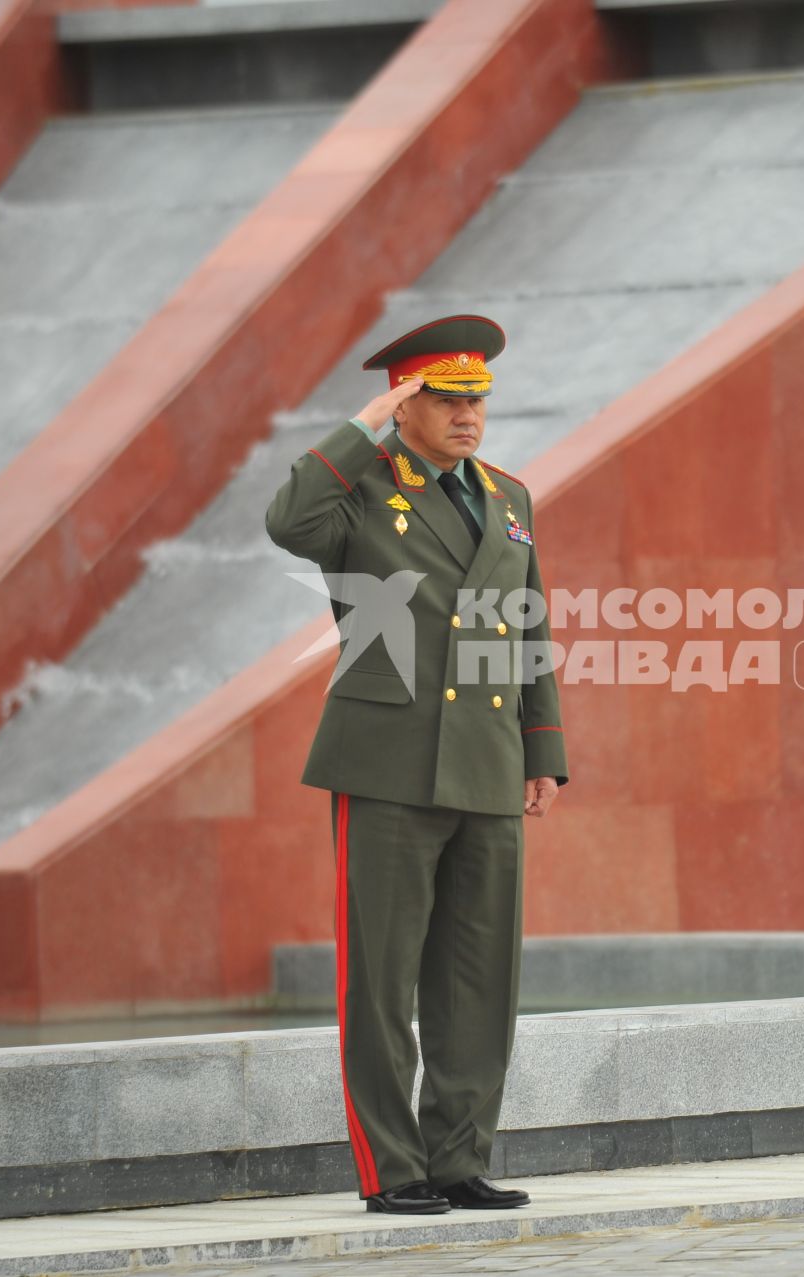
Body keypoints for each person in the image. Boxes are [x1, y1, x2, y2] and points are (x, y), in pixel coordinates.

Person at [265, 314, 568, 1214]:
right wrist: (362, 429)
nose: (469, 415)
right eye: (446, 398)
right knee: (383, 975)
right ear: (405, 404)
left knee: (480, 975)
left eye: (477, 398)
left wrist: (541, 748)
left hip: (487, 759)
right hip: (389, 762)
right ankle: (391, 1167)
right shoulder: (358, 490)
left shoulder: (509, 496)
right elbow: (288, 521)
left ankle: (458, 1158)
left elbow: (530, 627)